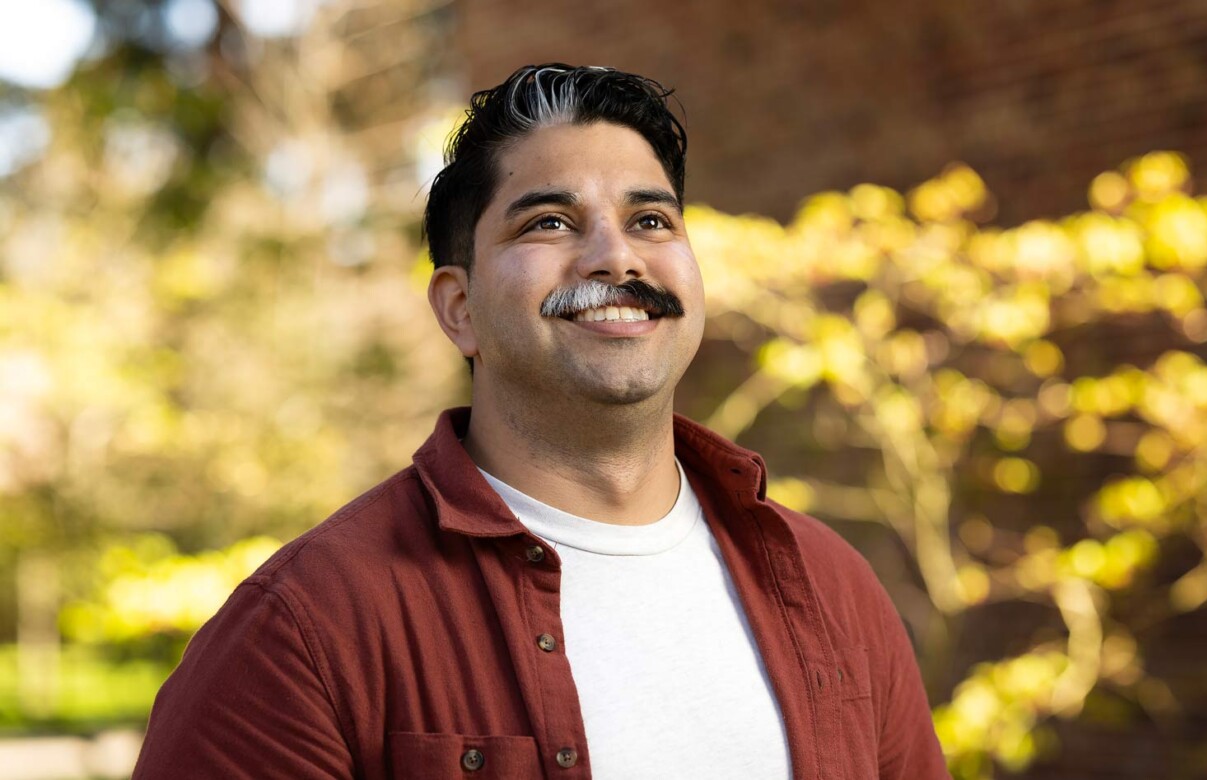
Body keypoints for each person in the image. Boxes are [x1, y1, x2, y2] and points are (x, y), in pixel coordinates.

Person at [133, 63, 950, 780]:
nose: (617, 257)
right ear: (461, 310)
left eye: (652, 220)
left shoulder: (831, 589)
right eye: (549, 222)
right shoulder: (309, 629)